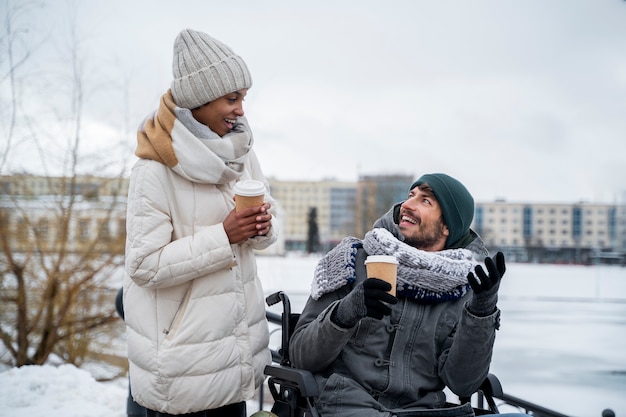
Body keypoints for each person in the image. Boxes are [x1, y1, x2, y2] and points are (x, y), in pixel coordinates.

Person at [123, 28, 278, 417]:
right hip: (182, 372)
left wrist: (262, 226)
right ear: (199, 101)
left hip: (232, 362)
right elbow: (144, 265)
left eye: (243, 98)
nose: (241, 110)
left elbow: (263, 236)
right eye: (232, 98)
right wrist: (223, 236)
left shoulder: (240, 152)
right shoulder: (153, 172)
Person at [289, 173, 521, 417]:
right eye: (410, 195)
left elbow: (463, 383)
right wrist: (345, 312)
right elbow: (301, 357)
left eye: (425, 201)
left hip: (422, 412)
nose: (407, 205)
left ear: (447, 226)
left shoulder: (463, 288)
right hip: (346, 407)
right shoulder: (350, 260)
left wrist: (482, 311)